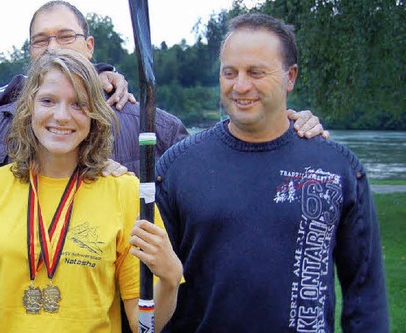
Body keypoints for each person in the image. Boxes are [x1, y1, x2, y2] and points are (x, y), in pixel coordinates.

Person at [0, 49, 183, 333]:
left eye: (78, 104)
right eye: (48, 101)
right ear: (30, 106)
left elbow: (142, 325)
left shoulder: (125, 192)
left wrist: (169, 279)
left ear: (94, 112)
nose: (62, 116)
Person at [155, 13, 389, 332]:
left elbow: (365, 297)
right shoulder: (177, 168)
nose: (241, 85)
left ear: (290, 76)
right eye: (230, 72)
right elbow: (143, 287)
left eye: (256, 72)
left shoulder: (338, 169)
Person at [0, 0, 328, 175]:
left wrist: (281, 127)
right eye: (41, 40)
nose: (53, 47)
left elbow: (222, 165)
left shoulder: (153, 125)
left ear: (89, 46)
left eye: (65, 36)